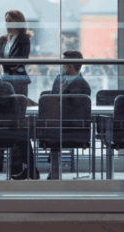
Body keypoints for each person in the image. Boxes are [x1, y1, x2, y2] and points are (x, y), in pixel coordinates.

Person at [42, 50, 91, 180]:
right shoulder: (59, 78)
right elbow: (53, 99)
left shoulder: (83, 86)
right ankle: (49, 169)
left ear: (70, 65)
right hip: (57, 123)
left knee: (51, 131)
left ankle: (53, 170)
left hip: (73, 128)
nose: (60, 65)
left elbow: (77, 114)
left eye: (63, 63)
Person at [0, 10, 32, 97]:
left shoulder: (24, 40)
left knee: (18, 107)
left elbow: (17, 61)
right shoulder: (2, 39)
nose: (6, 24)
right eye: (6, 21)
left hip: (18, 80)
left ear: (18, 23)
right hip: (3, 79)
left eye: (10, 21)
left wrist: (1, 62)